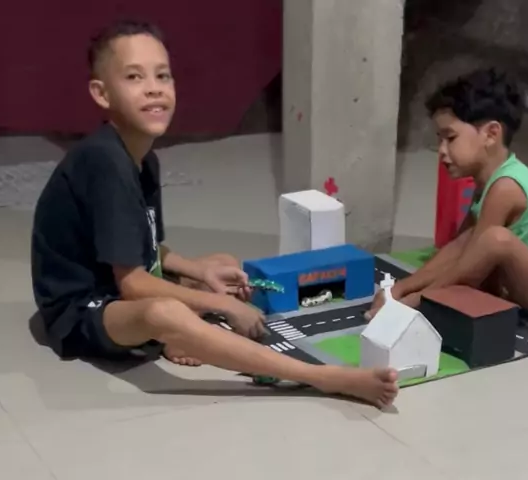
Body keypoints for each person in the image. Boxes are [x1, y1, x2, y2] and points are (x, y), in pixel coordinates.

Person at [30, 20, 398, 408]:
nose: (154, 88)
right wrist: (220, 305)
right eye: (134, 77)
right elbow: (134, 285)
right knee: (165, 311)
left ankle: (182, 336)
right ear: (102, 94)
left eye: (162, 75)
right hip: (83, 309)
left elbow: (147, 245)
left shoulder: (143, 159)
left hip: (115, 283)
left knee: (221, 265)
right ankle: (320, 376)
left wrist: (200, 272)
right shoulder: (103, 162)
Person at [366, 68, 528, 321]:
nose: (442, 150)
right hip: (519, 282)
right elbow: (459, 247)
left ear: (491, 134)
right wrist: (398, 289)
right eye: (440, 140)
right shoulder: (486, 183)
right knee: (470, 238)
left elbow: (468, 266)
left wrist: (415, 300)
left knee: (494, 240)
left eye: (450, 138)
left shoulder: (505, 187)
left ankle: (422, 303)